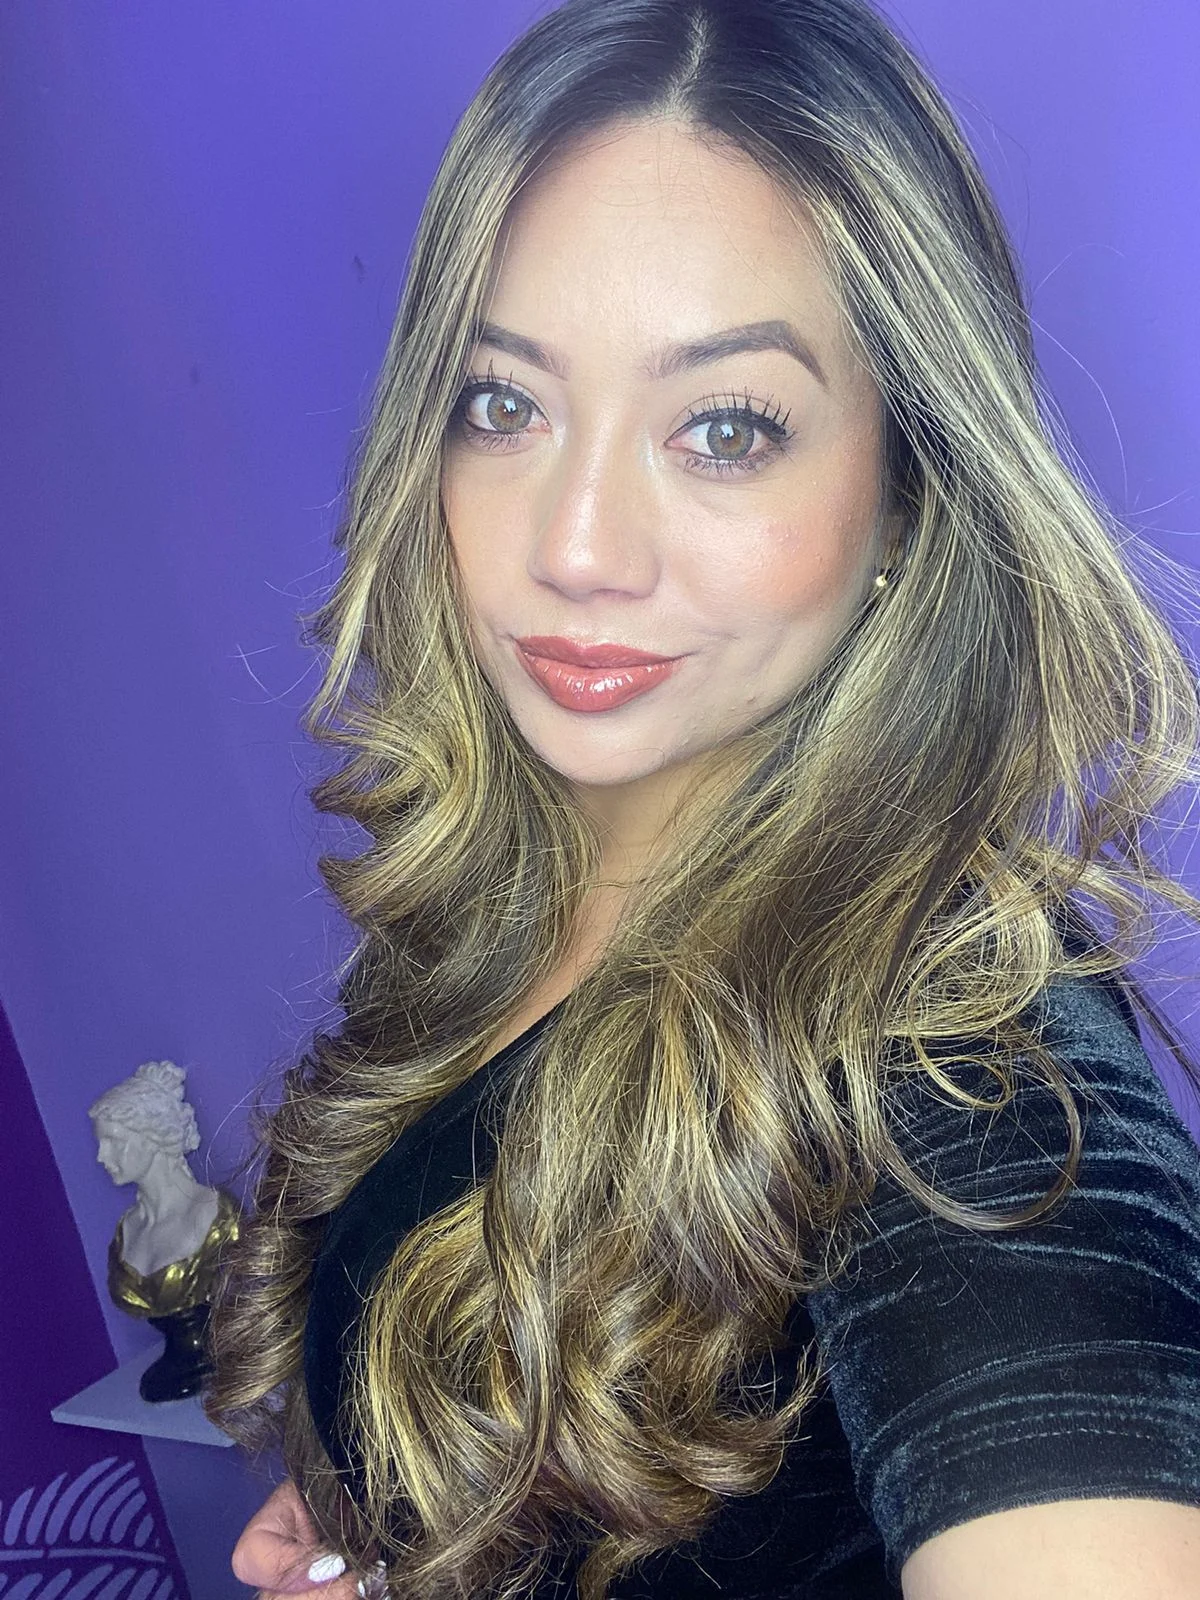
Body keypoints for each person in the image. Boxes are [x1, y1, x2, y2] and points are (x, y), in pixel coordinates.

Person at [203, 1, 1200, 1596]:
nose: (577, 546)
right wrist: (404, 1518)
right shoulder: (514, 896)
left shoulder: (963, 1057)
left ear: (905, 493)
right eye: (503, 404)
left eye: (725, 429)